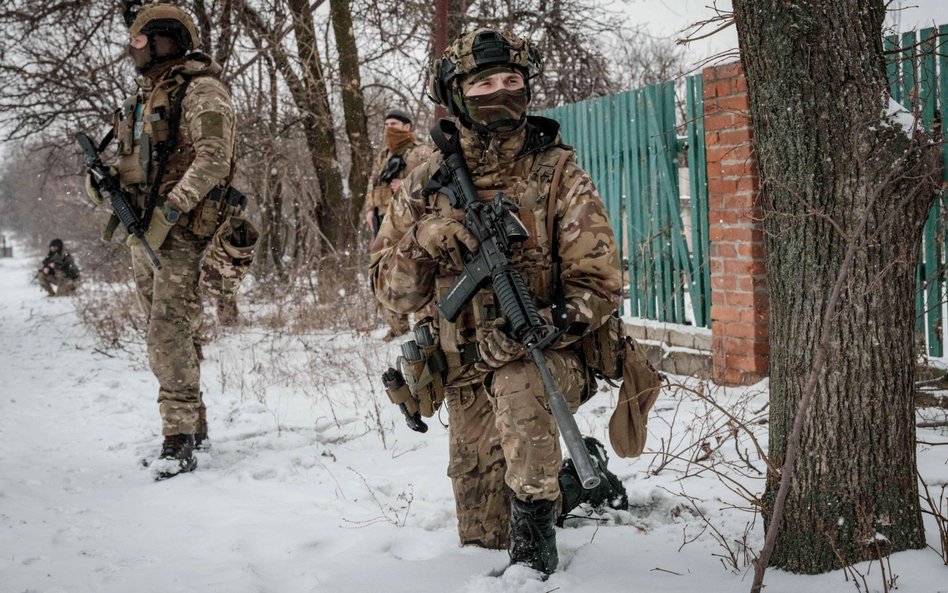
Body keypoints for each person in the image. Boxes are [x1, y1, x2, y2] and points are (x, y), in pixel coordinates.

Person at [371, 28, 625, 575]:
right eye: (484, 82)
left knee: (519, 381)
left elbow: (601, 284)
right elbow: (388, 296)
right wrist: (425, 239)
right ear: (457, 94)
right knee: (484, 533)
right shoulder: (423, 182)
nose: (501, 91)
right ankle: (577, 482)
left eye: (512, 80)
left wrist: (546, 322)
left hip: (549, 357)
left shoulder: (558, 174)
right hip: (463, 370)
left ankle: (534, 554)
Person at [84, 2, 237, 480]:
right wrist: (100, 183)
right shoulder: (144, 97)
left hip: (181, 235)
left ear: (164, 38)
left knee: (166, 335)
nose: (134, 50)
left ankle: (178, 440)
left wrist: (170, 211)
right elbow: (131, 166)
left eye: (140, 40)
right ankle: (196, 427)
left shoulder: (201, 89)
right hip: (143, 236)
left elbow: (214, 159)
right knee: (175, 332)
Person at [363, 109, 433, 341]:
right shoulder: (384, 154)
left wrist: (406, 184)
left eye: (393, 123)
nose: (388, 128)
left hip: (410, 221)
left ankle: (427, 324)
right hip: (384, 222)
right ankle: (397, 327)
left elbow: (435, 181)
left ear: (407, 127)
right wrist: (369, 210)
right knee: (385, 270)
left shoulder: (421, 152)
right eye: (385, 124)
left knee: (417, 269)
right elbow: (372, 185)